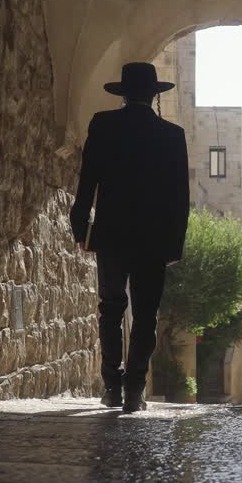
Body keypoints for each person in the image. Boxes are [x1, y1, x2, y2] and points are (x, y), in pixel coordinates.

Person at [71, 63, 190, 413]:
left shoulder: (103, 125)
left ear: (122, 94)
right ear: (155, 94)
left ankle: (112, 385)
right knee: (145, 314)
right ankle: (135, 390)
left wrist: (81, 228)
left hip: (111, 234)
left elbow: (86, 181)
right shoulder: (172, 135)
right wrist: (174, 245)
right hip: (153, 239)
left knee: (110, 308)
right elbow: (180, 198)